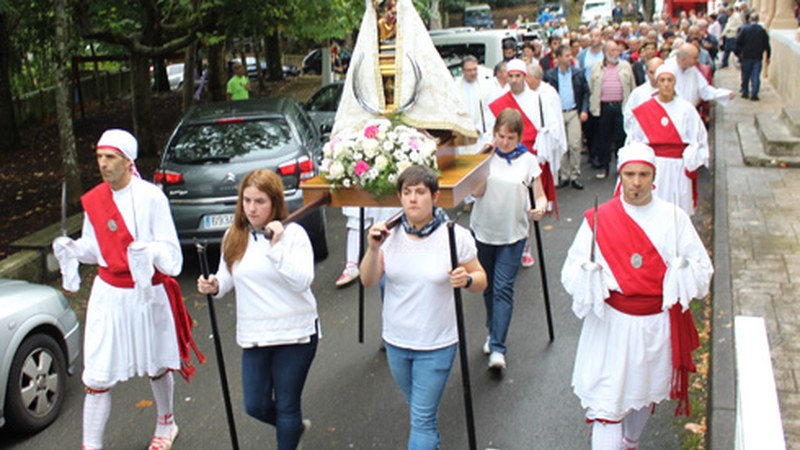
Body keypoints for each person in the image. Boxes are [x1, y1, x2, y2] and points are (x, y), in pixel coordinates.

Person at [52, 129, 203, 450]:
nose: (103, 164)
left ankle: (166, 423)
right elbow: (98, 249)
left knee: (157, 363)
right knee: (96, 375)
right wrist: (74, 250)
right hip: (109, 294)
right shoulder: (95, 200)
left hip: (147, 294)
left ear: (127, 160)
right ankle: (90, 445)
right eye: (99, 157)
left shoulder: (151, 197)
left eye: (110, 157)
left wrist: (148, 252)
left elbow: (172, 257)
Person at [561, 143, 714, 450]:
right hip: (611, 326)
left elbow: (702, 270)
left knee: (642, 394)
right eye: (630, 174)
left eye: (643, 174)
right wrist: (589, 275)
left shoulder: (674, 218)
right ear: (621, 174)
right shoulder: (599, 218)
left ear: (653, 176)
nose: (636, 182)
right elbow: (570, 271)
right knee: (608, 404)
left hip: (654, 326)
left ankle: (630, 442)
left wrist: (680, 273)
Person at [360, 165, 487, 450]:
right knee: (420, 411)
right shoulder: (387, 237)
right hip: (396, 342)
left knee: (422, 419)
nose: (413, 199)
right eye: (407, 193)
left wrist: (466, 279)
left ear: (435, 196)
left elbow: (481, 279)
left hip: (437, 344)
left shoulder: (455, 236)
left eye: (420, 192)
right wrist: (372, 249)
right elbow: (368, 280)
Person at [197, 169, 319, 450]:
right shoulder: (234, 236)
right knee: (255, 404)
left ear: (274, 203)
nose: (251, 208)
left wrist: (276, 247)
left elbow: (303, 280)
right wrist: (214, 285)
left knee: (287, 405)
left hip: (295, 334)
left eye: (260, 201)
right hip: (255, 334)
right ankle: (293, 428)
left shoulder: (294, 234)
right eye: (247, 200)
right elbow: (227, 276)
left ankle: (289, 433)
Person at [471, 108, 547, 370]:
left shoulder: (528, 160)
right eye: (500, 136)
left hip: (513, 234)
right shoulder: (486, 157)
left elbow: (540, 194)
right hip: (483, 231)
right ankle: (493, 332)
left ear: (519, 138)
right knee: (488, 288)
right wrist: (482, 162)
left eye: (510, 138)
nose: (504, 142)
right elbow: (477, 193)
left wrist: (540, 207)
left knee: (503, 288)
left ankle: (498, 349)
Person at [626, 65, 709, 216]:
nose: (666, 84)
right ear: (657, 83)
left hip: (679, 167)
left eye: (669, 80)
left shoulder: (686, 109)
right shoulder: (644, 110)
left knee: (677, 210)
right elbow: (634, 141)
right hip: (654, 166)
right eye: (662, 80)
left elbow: (699, 138)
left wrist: (692, 156)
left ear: (674, 82)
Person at [545, 45, 590, 191]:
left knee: (575, 144)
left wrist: (584, 110)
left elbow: (585, 93)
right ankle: (564, 175)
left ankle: (575, 175)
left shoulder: (578, 73)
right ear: (558, 58)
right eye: (566, 55)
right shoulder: (550, 75)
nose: (570, 58)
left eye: (571, 55)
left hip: (573, 113)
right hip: (557, 114)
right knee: (561, 146)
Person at [589, 40, 635, 179]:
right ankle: (604, 167)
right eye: (612, 51)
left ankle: (622, 167)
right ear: (605, 53)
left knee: (621, 139)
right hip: (604, 108)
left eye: (616, 50)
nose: (615, 53)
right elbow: (592, 87)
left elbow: (632, 86)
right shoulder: (597, 68)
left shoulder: (626, 66)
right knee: (604, 139)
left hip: (621, 107)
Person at [663, 43, 733, 108]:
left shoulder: (692, 70)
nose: (698, 61)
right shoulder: (667, 68)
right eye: (695, 58)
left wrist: (724, 94)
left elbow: (704, 89)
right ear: (683, 59)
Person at [457, 55, 492, 154]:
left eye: (475, 69)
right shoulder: (455, 87)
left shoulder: (486, 86)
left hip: (481, 133)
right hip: (463, 133)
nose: (473, 73)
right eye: (469, 70)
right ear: (463, 71)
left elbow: (488, 110)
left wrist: (478, 127)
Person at [736, 13, 771, 101]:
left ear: (750, 20)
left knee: (745, 74)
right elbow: (767, 45)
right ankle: (754, 93)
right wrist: (768, 56)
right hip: (757, 56)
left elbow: (738, 41)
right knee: (755, 75)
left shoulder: (745, 29)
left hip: (746, 55)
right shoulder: (762, 31)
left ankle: (745, 91)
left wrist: (738, 53)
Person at [623, 57, 663, 129]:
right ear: (646, 72)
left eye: (658, 72)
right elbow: (628, 116)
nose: (655, 76)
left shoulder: (674, 93)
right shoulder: (638, 93)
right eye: (651, 72)